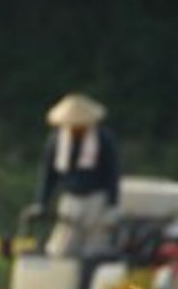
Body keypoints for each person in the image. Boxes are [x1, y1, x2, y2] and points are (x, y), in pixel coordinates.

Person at [29, 93, 120, 258]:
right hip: (70, 199)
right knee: (61, 248)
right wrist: (41, 202)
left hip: (96, 199)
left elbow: (112, 173)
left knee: (94, 249)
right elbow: (49, 174)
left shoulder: (103, 139)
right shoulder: (57, 140)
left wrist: (113, 205)